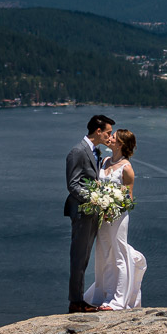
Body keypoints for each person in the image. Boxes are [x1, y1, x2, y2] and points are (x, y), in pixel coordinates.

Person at [83, 129, 145, 311]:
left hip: (117, 217)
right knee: (103, 253)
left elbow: (129, 199)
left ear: (120, 144)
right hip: (102, 214)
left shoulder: (127, 168)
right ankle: (102, 296)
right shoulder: (105, 161)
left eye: (113, 137)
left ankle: (118, 300)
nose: (109, 138)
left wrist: (112, 208)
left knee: (118, 255)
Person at [66, 114, 114, 313]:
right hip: (82, 212)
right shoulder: (78, 151)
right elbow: (73, 185)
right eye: (108, 133)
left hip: (92, 213)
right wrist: (93, 199)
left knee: (84, 257)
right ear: (98, 131)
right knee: (79, 257)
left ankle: (79, 298)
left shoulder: (96, 152)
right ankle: (76, 301)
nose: (109, 137)